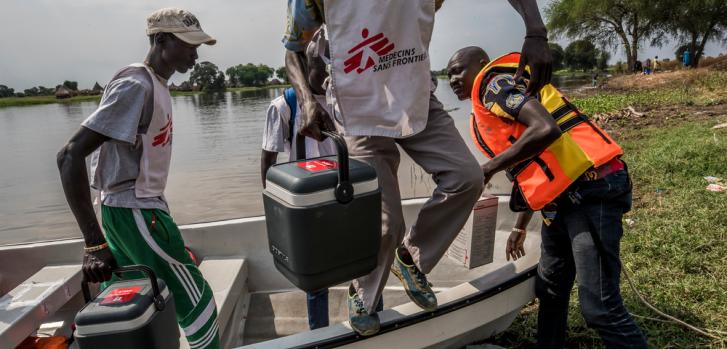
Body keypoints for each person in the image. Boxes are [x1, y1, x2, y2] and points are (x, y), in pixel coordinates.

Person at [282, 0, 552, 337]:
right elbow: (293, 50)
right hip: (358, 108)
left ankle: (409, 258)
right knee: (386, 223)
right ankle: (362, 296)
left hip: (415, 95)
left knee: (466, 177)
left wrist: (536, 31)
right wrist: (307, 99)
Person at [446, 46, 648, 348]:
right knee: (550, 289)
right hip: (562, 199)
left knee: (601, 308)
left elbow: (545, 129)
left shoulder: (495, 85)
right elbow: (531, 168)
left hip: (590, 189)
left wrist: (487, 168)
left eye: (457, 70)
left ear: (481, 64)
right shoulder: (485, 110)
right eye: (448, 74)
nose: (452, 79)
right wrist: (520, 225)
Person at [56, 8, 220, 348]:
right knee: (198, 301)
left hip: (131, 209)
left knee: (134, 296)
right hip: (136, 211)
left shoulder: (154, 84)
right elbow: (69, 155)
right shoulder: (136, 84)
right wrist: (94, 244)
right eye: (188, 43)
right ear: (161, 40)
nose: (195, 52)